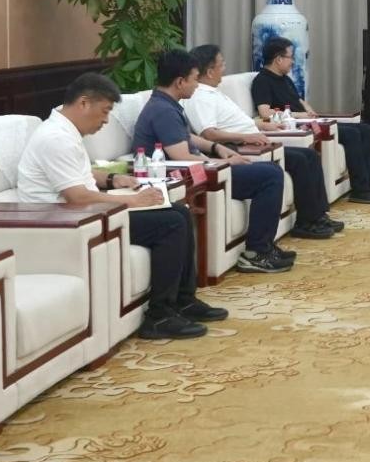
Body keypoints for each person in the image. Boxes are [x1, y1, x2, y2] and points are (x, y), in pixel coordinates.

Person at [16, 72, 226, 339]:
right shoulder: (55, 138)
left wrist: (113, 179)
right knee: (171, 223)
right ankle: (159, 317)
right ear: (83, 103)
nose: (106, 121)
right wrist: (132, 200)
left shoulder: (64, 132)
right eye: (104, 112)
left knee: (180, 212)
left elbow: (80, 175)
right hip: (67, 222)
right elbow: (77, 197)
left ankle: (183, 300)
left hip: (88, 213)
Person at [135, 49, 292, 274]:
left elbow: (187, 137)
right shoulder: (163, 111)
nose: (196, 85)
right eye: (193, 79)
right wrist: (221, 164)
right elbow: (181, 156)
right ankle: (256, 253)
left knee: (269, 171)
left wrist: (217, 149)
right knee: (270, 176)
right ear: (180, 82)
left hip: (202, 168)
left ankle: (263, 247)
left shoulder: (167, 103)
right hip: (189, 178)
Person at [185, 44, 342, 240]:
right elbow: (209, 134)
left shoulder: (213, 92)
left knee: (309, 155)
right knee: (300, 160)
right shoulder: (200, 97)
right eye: (222, 64)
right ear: (209, 72)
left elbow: (239, 122)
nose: (224, 69)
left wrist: (263, 125)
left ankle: (318, 216)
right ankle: (307, 222)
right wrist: (246, 137)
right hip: (240, 148)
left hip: (254, 140)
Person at [252, 37, 370, 203]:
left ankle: (367, 184)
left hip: (310, 121)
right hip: (297, 126)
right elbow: (265, 112)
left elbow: (298, 100)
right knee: (351, 134)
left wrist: (309, 110)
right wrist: (299, 115)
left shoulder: (284, 78)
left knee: (364, 129)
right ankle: (360, 190)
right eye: (290, 57)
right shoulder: (262, 81)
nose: (293, 62)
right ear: (278, 59)